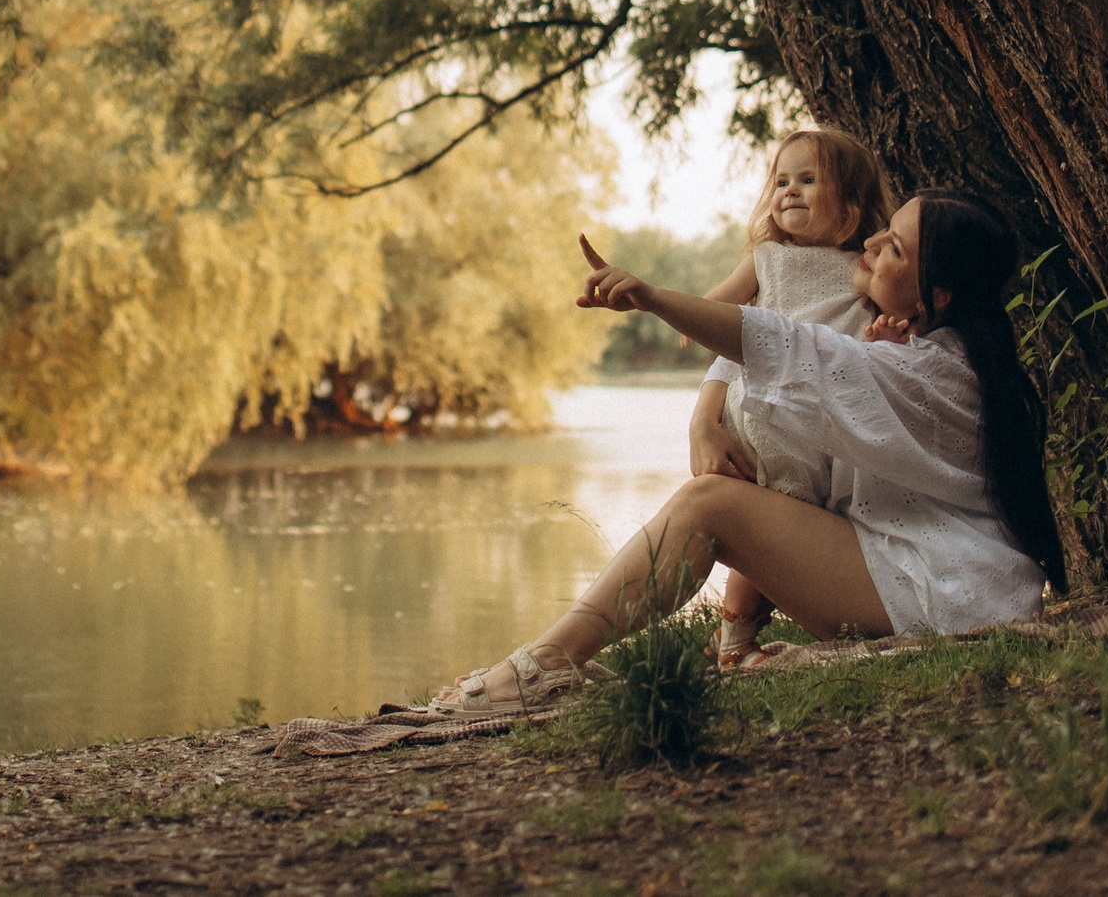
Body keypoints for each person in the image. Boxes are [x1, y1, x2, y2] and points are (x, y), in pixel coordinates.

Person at [432, 189, 1065, 715]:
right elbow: (795, 399)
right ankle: (554, 662)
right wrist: (707, 412)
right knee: (723, 497)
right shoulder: (932, 355)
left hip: (942, 592)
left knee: (711, 505)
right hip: (926, 576)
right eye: (884, 232)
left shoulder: (934, 372)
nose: (872, 243)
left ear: (938, 297)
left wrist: (652, 298)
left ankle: (543, 666)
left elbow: (781, 344)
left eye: (894, 247)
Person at [686, 129, 893, 665]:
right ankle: (735, 639)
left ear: (850, 204)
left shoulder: (863, 268)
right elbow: (723, 317)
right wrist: (684, 314)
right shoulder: (767, 259)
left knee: (781, 523)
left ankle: (742, 637)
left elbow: (885, 324)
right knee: (765, 515)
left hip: (822, 423)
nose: (789, 192)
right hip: (763, 412)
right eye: (781, 182)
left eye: (807, 180)